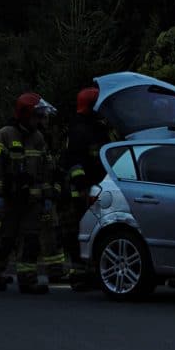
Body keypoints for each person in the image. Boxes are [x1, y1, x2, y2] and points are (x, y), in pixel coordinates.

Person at [0, 93, 54, 294]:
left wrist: (47, 196)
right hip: (9, 199)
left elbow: (46, 170)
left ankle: (28, 281)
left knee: (30, 241)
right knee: (4, 239)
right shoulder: (4, 135)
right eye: (36, 115)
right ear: (24, 115)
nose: (39, 120)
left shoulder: (38, 138)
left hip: (32, 201)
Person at [61, 87, 117, 287]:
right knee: (77, 229)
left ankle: (91, 270)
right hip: (81, 191)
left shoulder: (97, 127)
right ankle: (78, 272)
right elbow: (74, 160)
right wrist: (81, 184)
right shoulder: (79, 129)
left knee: (93, 229)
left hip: (97, 187)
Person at [36, 99, 68, 284]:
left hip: (46, 194)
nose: (47, 121)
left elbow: (52, 168)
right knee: (46, 233)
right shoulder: (33, 138)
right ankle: (52, 271)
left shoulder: (45, 138)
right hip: (36, 194)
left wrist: (55, 188)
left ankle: (55, 270)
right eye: (45, 117)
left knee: (52, 232)